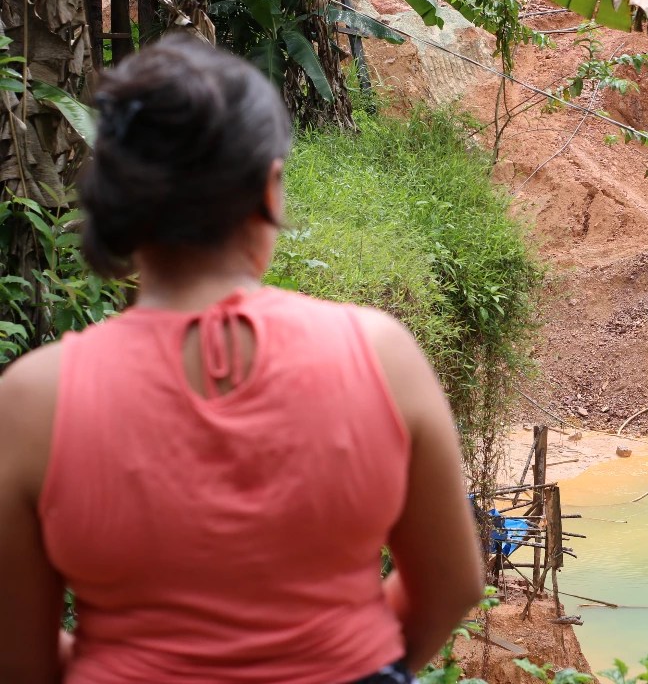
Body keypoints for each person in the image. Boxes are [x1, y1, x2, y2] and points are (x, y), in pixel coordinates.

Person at [0, 35, 484, 683]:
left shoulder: (34, 399)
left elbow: (19, 658)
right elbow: (452, 587)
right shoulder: (381, 356)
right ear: (270, 188)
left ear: (118, 199)